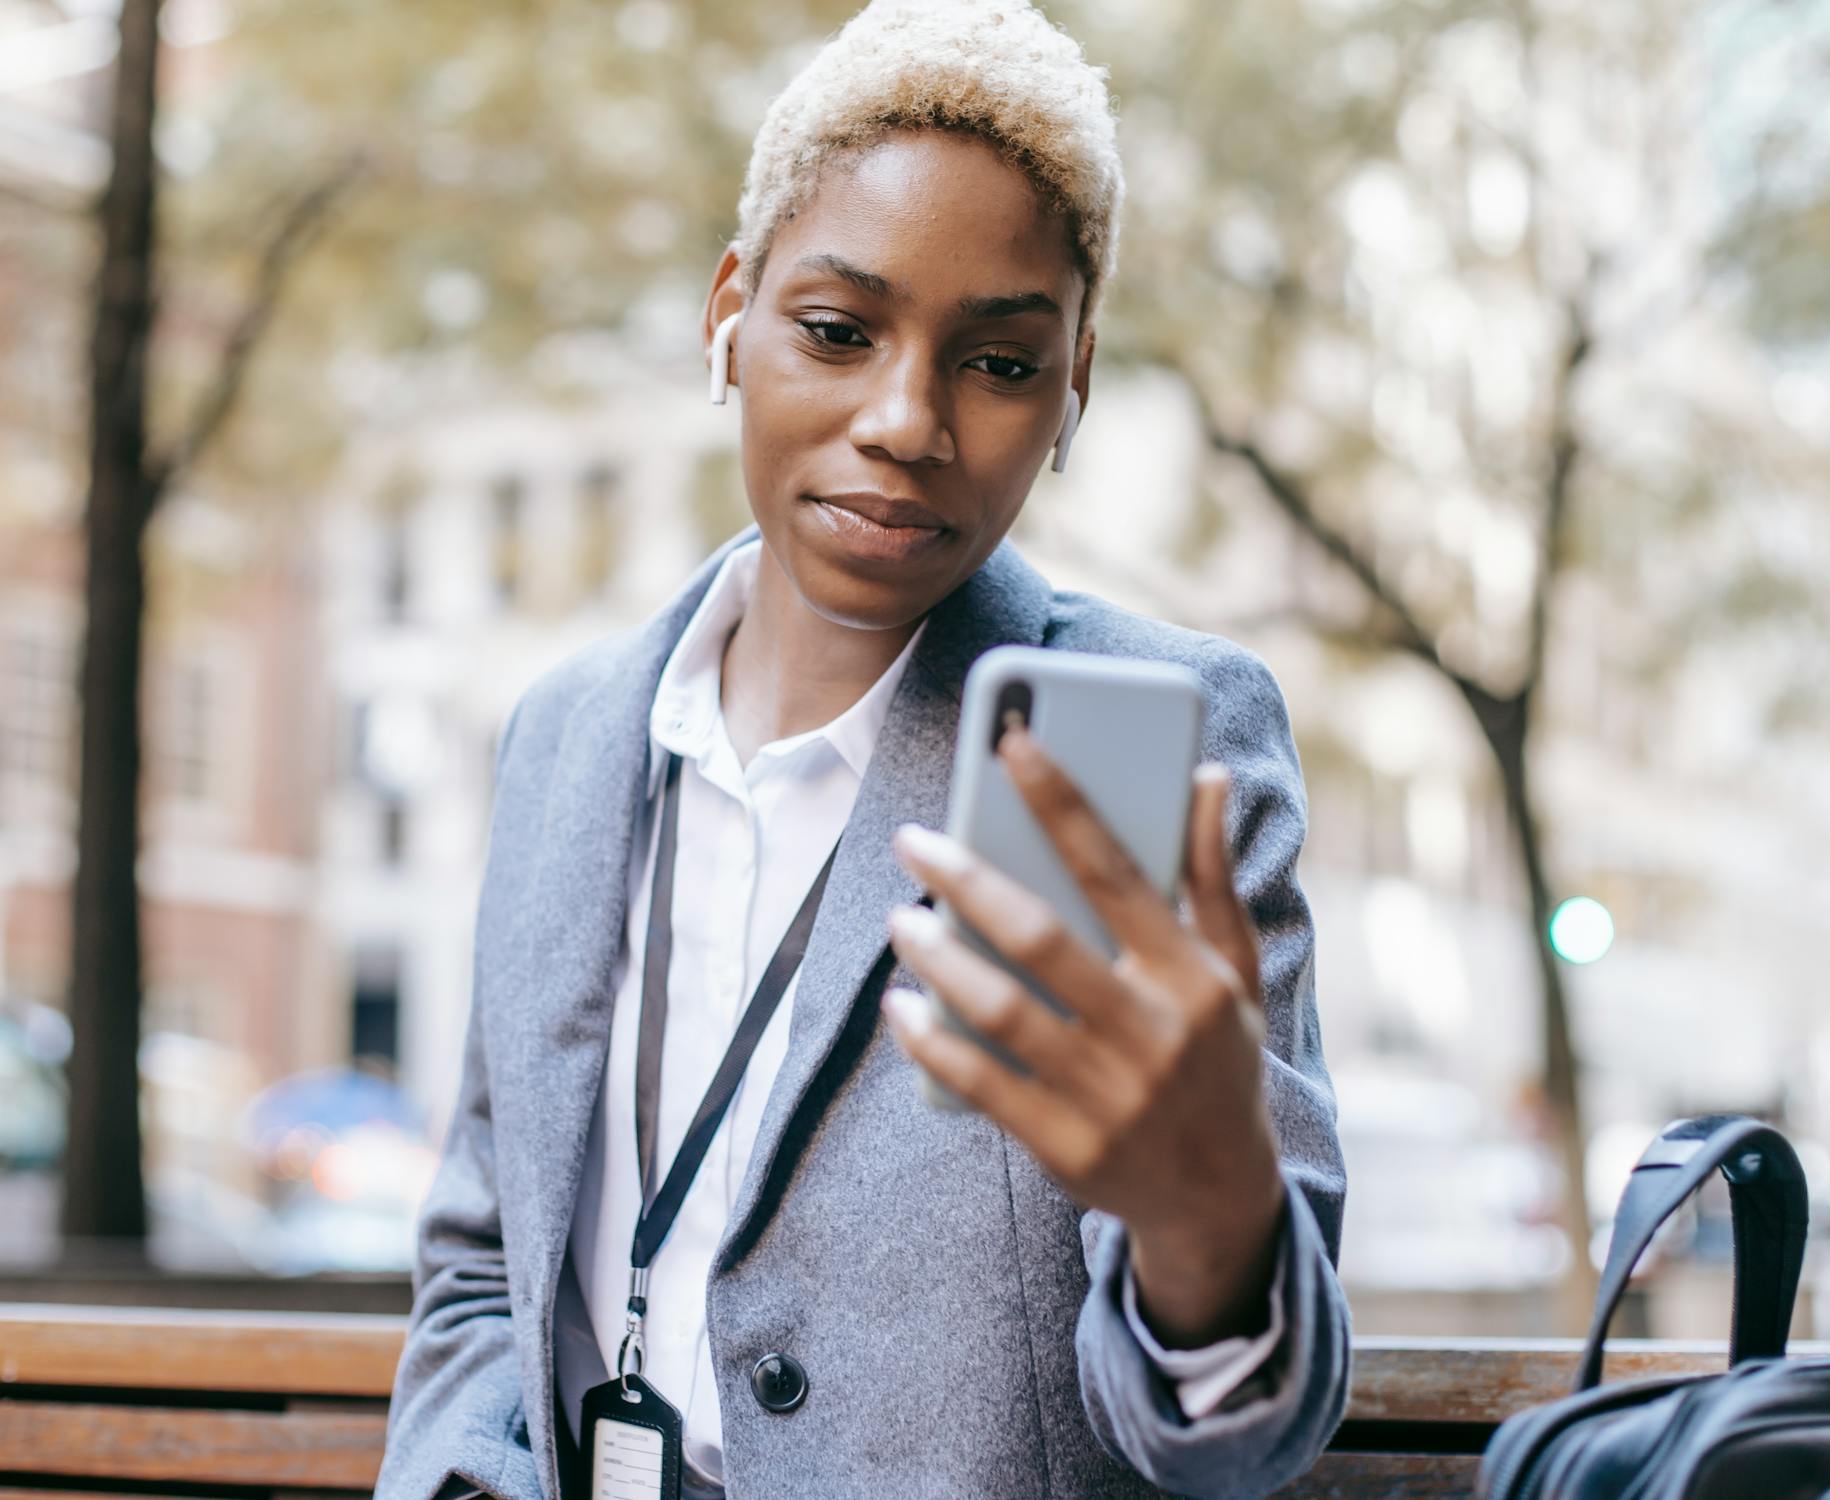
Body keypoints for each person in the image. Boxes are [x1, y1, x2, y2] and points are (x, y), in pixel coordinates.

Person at [372, 2, 1350, 1496]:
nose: (904, 421)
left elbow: (1240, 1443)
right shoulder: (565, 736)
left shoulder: (1146, 749)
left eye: (1000, 364)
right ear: (727, 315)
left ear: (1073, 386)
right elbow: (478, 1262)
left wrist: (1210, 1229)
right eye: (836, 332)